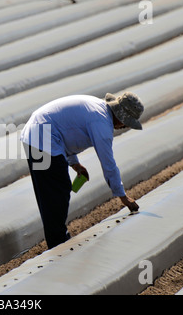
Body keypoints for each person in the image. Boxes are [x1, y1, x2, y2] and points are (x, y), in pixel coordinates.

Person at [20, 92, 144, 249]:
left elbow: (67, 132)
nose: (124, 127)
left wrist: (75, 165)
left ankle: (57, 240)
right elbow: (108, 165)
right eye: (126, 123)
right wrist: (123, 197)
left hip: (37, 134)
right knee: (56, 191)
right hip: (42, 137)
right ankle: (57, 244)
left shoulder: (98, 109)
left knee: (52, 192)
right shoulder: (101, 124)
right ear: (121, 117)